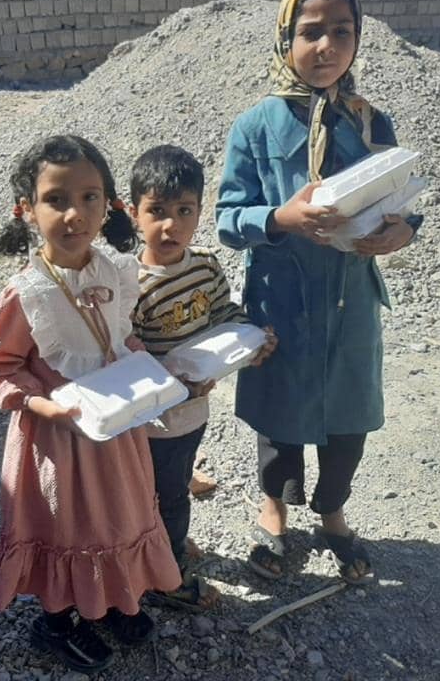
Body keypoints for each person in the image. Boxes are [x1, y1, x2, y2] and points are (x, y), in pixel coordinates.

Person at [215, 0, 423, 583]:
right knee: (279, 415)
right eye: (311, 32)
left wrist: (404, 231)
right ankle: (274, 511)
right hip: (281, 300)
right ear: (286, 39)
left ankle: (333, 516)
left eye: (342, 31)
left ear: (358, 38)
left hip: (351, 300)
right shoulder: (255, 126)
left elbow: (401, 198)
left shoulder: (370, 123)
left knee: (347, 416)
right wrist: (282, 218)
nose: (327, 46)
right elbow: (228, 219)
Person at [0, 135, 181, 675]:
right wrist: (39, 405)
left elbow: (119, 336)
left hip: (115, 432)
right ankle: (56, 621)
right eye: (56, 199)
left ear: (109, 204)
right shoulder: (28, 293)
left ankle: (109, 598)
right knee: (66, 526)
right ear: (27, 210)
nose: (75, 214)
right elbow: (1, 364)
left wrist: (151, 370)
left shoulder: (114, 271)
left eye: (90, 197)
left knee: (117, 513)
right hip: (59, 441)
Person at [128, 144, 277, 611]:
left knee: (172, 481)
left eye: (184, 211)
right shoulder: (129, 283)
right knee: (165, 495)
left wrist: (253, 338)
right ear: (134, 214)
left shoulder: (205, 265)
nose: (170, 225)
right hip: (154, 420)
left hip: (194, 410)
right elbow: (126, 358)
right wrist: (173, 387)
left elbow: (222, 314)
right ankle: (167, 575)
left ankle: (162, 544)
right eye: (156, 211)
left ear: (199, 212)